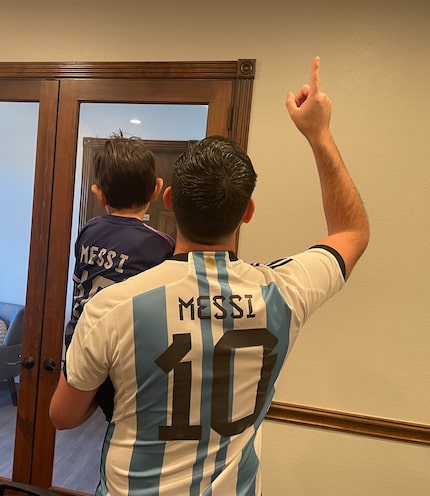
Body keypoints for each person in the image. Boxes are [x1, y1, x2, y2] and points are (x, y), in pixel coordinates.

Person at [50, 57, 369, 496]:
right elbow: (351, 232)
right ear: (248, 213)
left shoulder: (112, 306)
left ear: (168, 200)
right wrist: (319, 133)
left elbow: (63, 417)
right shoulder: (284, 292)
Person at [63, 131, 175, 421]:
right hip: (125, 355)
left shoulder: (88, 232)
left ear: (98, 194)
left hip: (78, 344)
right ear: (157, 189)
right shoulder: (162, 245)